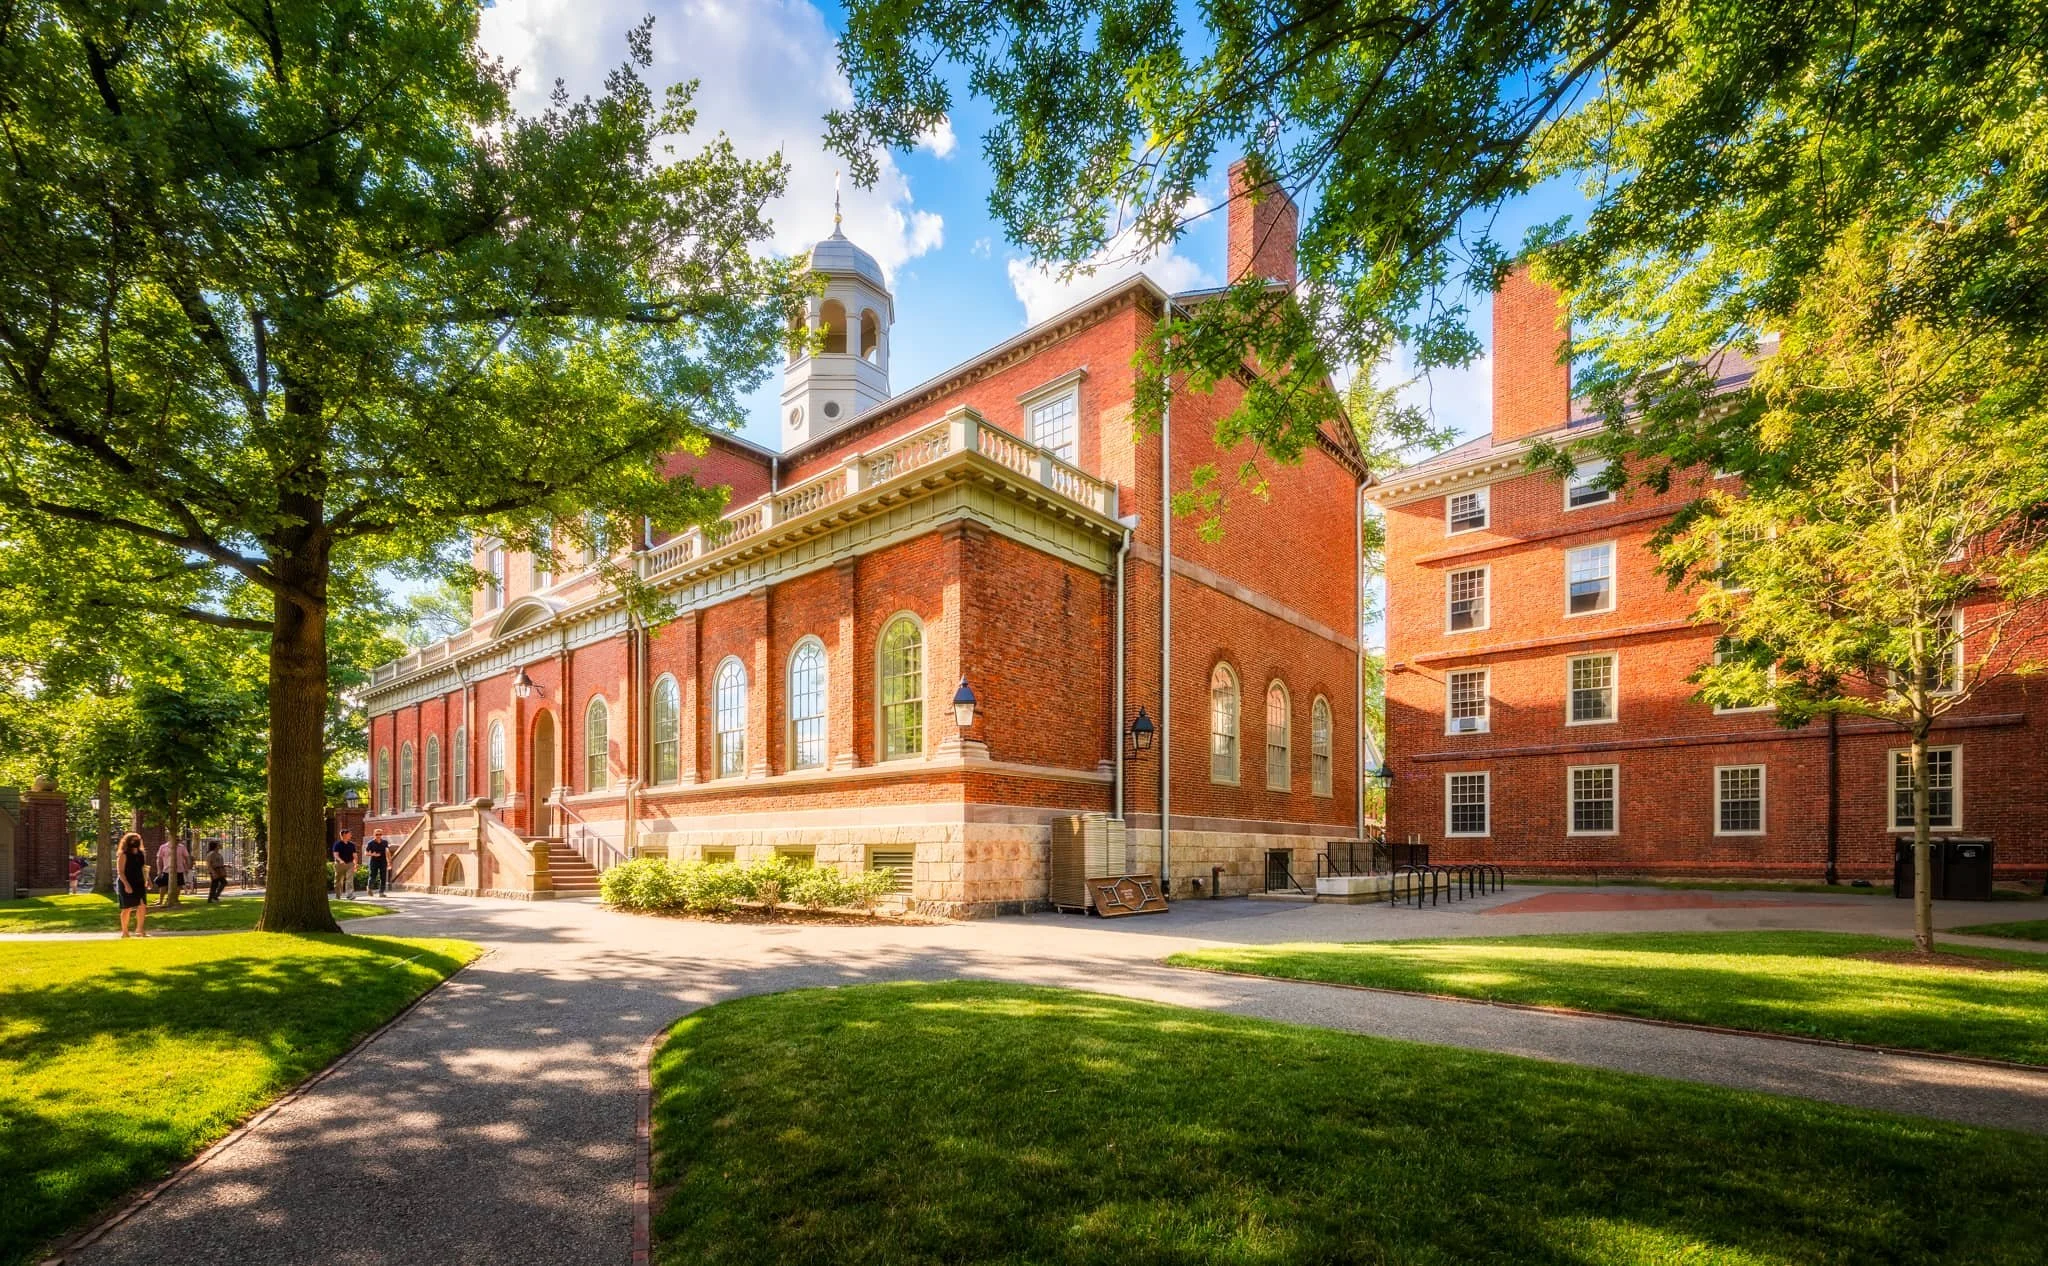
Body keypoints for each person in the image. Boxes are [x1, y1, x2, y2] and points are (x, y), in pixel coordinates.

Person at [116, 832, 149, 937]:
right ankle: (125, 931)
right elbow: (120, 872)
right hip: (126, 881)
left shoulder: (141, 854)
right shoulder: (123, 855)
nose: (135, 842)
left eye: (137, 840)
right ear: (127, 842)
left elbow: (143, 868)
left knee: (142, 905)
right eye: (132, 840)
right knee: (127, 908)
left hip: (139, 882)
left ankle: (139, 929)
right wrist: (126, 885)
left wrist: (148, 880)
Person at [154, 836, 192, 906]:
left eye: (178, 840)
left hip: (179, 870)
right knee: (163, 885)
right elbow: (159, 859)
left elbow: (186, 857)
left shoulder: (182, 847)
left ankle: (175, 899)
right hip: (166, 870)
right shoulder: (163, 847)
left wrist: (187, 867)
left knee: (179, 885)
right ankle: (161, 900)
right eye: (176, 840)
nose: (177, 841)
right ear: (170, 839)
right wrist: (159, 870)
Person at [332, 831, 359, 901]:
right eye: (349, 834)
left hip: (350, 864)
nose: (351, 835)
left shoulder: (352, 845)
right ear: (344, 835)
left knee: (350, 880)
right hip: (339, 865)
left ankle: (350, 895)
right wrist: (340, 860)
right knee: (338, 881)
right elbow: (336, 855)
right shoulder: (337, 844)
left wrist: (356, 864)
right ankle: (338, 895)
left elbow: (355, 855)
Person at [364, 829, 391, 898]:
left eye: (380, 834)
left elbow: (387, 852)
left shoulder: (385, 842)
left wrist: (389, 862)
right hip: (374, 861)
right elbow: (366, 853)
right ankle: (369, 888)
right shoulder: (371, 843)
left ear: (382, 835)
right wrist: (373, 854)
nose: (378, 836)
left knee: (383, 877)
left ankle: (381, 892)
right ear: (374, 835)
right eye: (377, 834)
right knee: (373, 876)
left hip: (383, 861)